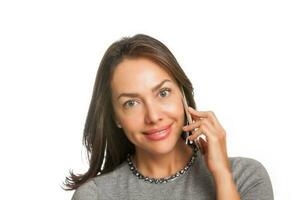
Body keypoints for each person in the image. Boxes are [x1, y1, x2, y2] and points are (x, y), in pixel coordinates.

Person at [63, 34, 274, 199]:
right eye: (131, 103)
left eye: (163, 93)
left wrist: (222, 176)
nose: (153, 116)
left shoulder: (246, 177)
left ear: (182, 95)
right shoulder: (96, 195)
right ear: (116, 117)